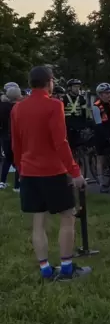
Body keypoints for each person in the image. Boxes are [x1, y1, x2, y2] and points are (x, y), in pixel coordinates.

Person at [11, 66, 90, 281]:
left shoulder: (17, 108)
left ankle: (45, 270)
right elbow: (60, 142)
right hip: (53, 171)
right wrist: (74, 171)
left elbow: (16, 144)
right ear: (49, 82)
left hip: (28, 172)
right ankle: (66, 268)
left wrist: (21, 168)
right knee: (67, 217)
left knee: (38, 222)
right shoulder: (54, 105)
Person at [90, 83, 110, 193]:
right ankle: (101, 183)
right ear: (100, 94)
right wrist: (108, 138)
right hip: (100, 132)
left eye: (109, 93)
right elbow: (99, 125)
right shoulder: (96, 106)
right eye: (106, 93)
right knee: (101, 158)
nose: (108, 95)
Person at [0, 83, 22, 191]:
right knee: (18, 160)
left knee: (7, 160)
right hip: (15, 136)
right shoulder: (18, 107)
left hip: (4, 136)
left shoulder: (2, 105)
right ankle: (17, 186)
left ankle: (2, 182)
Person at [62, 78, 89, 150]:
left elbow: (85, 112)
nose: (77, 89)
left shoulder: (82, 99)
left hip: (79, 124)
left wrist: (88, 121)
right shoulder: (63, 99)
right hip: (67, 125)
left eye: (78, 87)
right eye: (75, 87)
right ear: (69, 88)